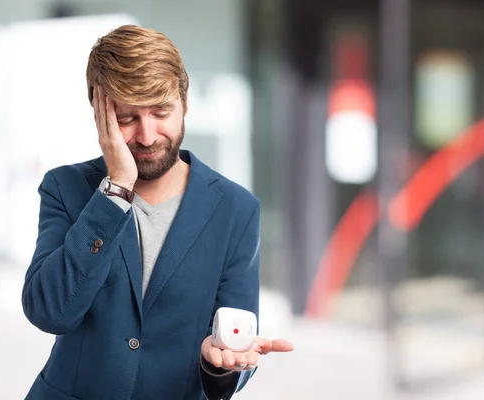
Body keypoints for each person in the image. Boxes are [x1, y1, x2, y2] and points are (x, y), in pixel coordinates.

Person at [21, 24, 294, 400]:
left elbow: (235, 336)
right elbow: (50, 312)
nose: (147, 136)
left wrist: (219, 364)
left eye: (161, 112)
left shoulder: (236, 209)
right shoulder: (66, 188)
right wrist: (115, 189)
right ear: (100, 115)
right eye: (127, 118)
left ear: (185, 103)